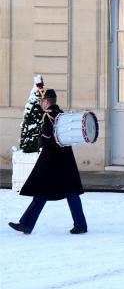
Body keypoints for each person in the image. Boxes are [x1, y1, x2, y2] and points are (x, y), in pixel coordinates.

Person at [9, 89, 88, 234]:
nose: (41, 103)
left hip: (51, 161)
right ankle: (81, 225)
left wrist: (40, 139)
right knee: (71, 192)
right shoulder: (62, 115)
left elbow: (46, 140)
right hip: (66, 160)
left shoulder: (48, 117)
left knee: (41, 192)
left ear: (46, 102)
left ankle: (25, 224)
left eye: (42, 101)